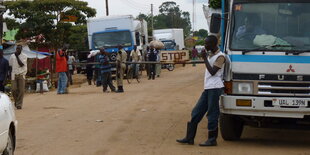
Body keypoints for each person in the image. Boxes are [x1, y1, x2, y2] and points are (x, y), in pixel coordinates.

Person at [176, 35, 226, 146]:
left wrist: (204, 59)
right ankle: (189, 138)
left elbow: (213, 72)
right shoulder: (210, 55)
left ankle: (212, 139)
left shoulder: (221, 56)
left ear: (214, 44)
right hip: (208, 88)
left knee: (212, 114)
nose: (205, 45)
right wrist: (205, 58)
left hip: (215, 88)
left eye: (207, 43)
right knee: (196, 112)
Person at [9, 45, 27, 109]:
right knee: (13, 89)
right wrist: (9, 75)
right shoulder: (12, 56)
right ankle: (16, 102)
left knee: (21, 90)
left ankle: (19, 104)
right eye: (17, 48)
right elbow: (10, 65)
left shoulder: (24, 56)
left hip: (21, 75)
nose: (17, 50)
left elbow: (21, 64)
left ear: (21, 49)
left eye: (19, 49)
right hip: (14, 75)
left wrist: (17, 57)